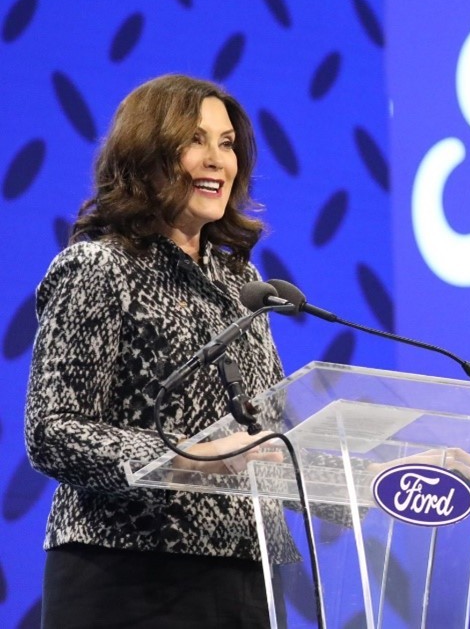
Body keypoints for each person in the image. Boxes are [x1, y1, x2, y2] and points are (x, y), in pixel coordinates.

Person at [25, 74, 288, 628]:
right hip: (129, 574)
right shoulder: (100, 268)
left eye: (227, 143)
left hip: (245, 575)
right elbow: (52, 431)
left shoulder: (240, 282)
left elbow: (271, 437)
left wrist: (388, 470)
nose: (218, 160)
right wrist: (190, 458)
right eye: (196, 141)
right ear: (147, 155)